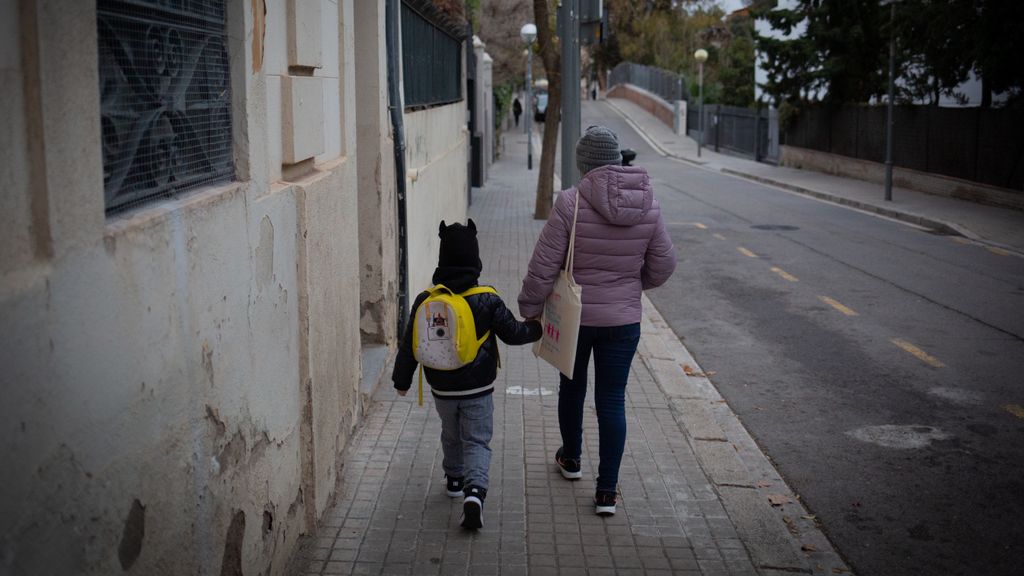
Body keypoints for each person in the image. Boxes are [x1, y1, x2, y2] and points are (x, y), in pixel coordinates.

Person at [518, 125, 677, 516]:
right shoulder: (648, 203)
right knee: (612, 400)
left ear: (584, 164)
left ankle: (571, 459)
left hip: (577, 319)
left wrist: (528, 307)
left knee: (572, 388)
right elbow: (664, 264)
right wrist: (630, 286)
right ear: (617, 158)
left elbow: (544, 264)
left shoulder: (570, 202)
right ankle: (607, 491)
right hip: (623, 322)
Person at [393, 219, 542, 530]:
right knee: (476, 440)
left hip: (441, 389)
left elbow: (409, 345)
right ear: (475, 258)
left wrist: (401, 380)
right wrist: (539, 328)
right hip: (478, 389)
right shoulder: (487, 298)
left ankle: (454, 479)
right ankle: (474, 494)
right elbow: (513, 334)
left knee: (451, 434)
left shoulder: (426, 299)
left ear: (442, 258)